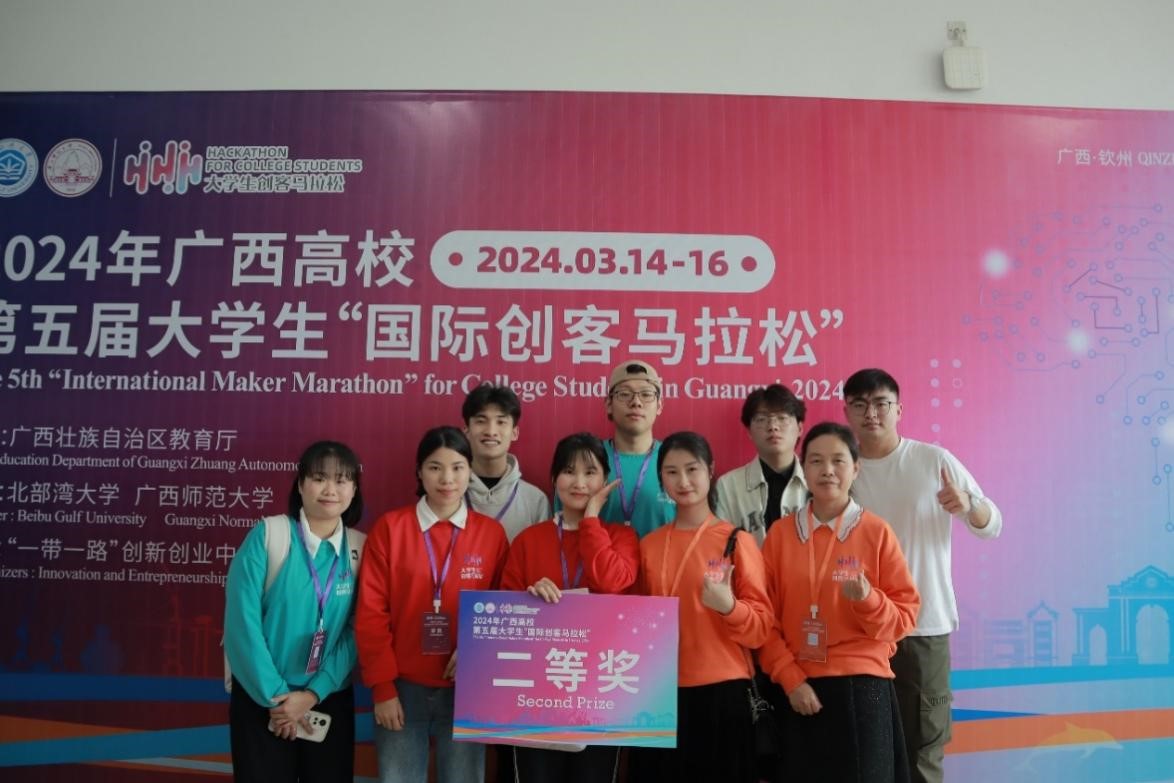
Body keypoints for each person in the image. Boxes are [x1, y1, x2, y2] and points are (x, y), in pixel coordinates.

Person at [842, 369, 1002, 783]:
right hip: (860, 629)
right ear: (847, 412)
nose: (871, 414)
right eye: (859, 405)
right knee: (867, 748)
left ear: (898, 409)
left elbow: (991, 525)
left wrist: (968, 504)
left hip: (923, 627)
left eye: (880, 404)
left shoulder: (933, 460)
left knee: (924, 749)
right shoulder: (842, 468)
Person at [758, 422, 920, 782]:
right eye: (816, 461)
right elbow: (764, 620)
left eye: (838, 461)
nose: (827, 470)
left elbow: (904, 619)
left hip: (865, 687)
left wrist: (867, 599)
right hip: (798, 686)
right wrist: (790, 680)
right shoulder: (781, 535)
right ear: (803, 469)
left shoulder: (877, 532)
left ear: (856, 468)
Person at [355, 426, 509, 783]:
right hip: (401, 688)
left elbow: (503, 608)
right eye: (435, 467)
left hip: (467, 687)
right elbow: (371, 614)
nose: (447, 479)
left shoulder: (491, 534)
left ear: (470, 471)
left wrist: (476, 649)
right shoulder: (390, 529)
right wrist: (382, 688)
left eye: (457, 467)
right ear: (419, 472)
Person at [632, 431, 772, 783]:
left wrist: (729, 607)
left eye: (692, 469)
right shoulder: (648, 546)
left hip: (724, 693)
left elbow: (761, 629)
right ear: (661, 479)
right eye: (672, 472)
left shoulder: (736, 541)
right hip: (659, 695)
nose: (683, 481)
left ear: (710, 471)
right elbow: (634, 624)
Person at [224, 440, 366, 783]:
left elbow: (359, 627)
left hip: (328, 697)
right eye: (318, 478)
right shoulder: (268, 535)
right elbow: (242, 625)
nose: (330, 489)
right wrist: (278, 700)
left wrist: (314, 693)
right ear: (300, 485)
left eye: (342, 480)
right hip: (262, 699)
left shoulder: (361, 548)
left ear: (354, 490)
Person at [501, 432, 639, 783]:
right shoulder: (529, 540)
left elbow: (611, 581)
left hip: (601, 693)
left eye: (590, 472)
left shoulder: (622, 538)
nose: (579, 482)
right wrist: (529, 600)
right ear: (553, 479)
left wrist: (591, 519)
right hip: (535, 695)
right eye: (568, 471)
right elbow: (503, 623)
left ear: (605, 480)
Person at [715, 383, 810, 546]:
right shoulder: (728, 485)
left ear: (800, 428)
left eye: (782, 418)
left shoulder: (816, 480)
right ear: (749, 431)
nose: (773, 427)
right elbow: (721, 546)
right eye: (761, 419)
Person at [462, 384, 551, 543]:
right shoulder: (448, 493)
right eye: (481, 421)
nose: (491, 431)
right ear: (467, 431)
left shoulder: (535, 500)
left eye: (501, 422)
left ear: (514, 432)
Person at [597, 360, 676, 537]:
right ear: (608, 404)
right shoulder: (587, 460)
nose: (636, 402)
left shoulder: (677, 461)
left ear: (659, 405)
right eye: (624, 394)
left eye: (646, 394)